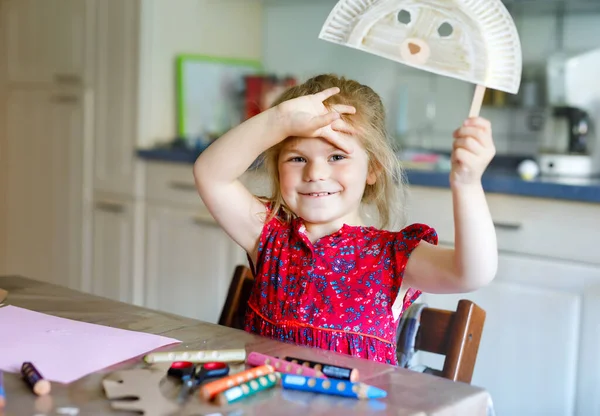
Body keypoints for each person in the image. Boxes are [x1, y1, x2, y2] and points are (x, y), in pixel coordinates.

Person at [193, 74, 498, 365]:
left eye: (337, 156)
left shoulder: (390, 257)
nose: (315, 174)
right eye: (298, 158)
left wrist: (467, 183)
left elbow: (472, 273)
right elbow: (211, 174)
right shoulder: (269, 235)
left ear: (373, 169)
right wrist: (278, 120)